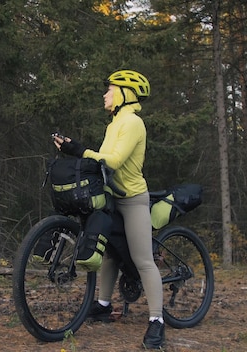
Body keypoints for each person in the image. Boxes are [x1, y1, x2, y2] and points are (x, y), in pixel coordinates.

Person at [52, 70, 165, 349]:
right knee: (110, 252)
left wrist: (79, 150)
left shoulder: (133, 123)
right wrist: (74, 152)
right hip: (111, 196)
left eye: (110, 89)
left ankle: (157, 321)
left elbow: (112, 161)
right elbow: (100, 164)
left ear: (125, 94)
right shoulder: (114, 124)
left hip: (133, 199)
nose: (105, 94)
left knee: (143, 260)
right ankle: (103, 304)